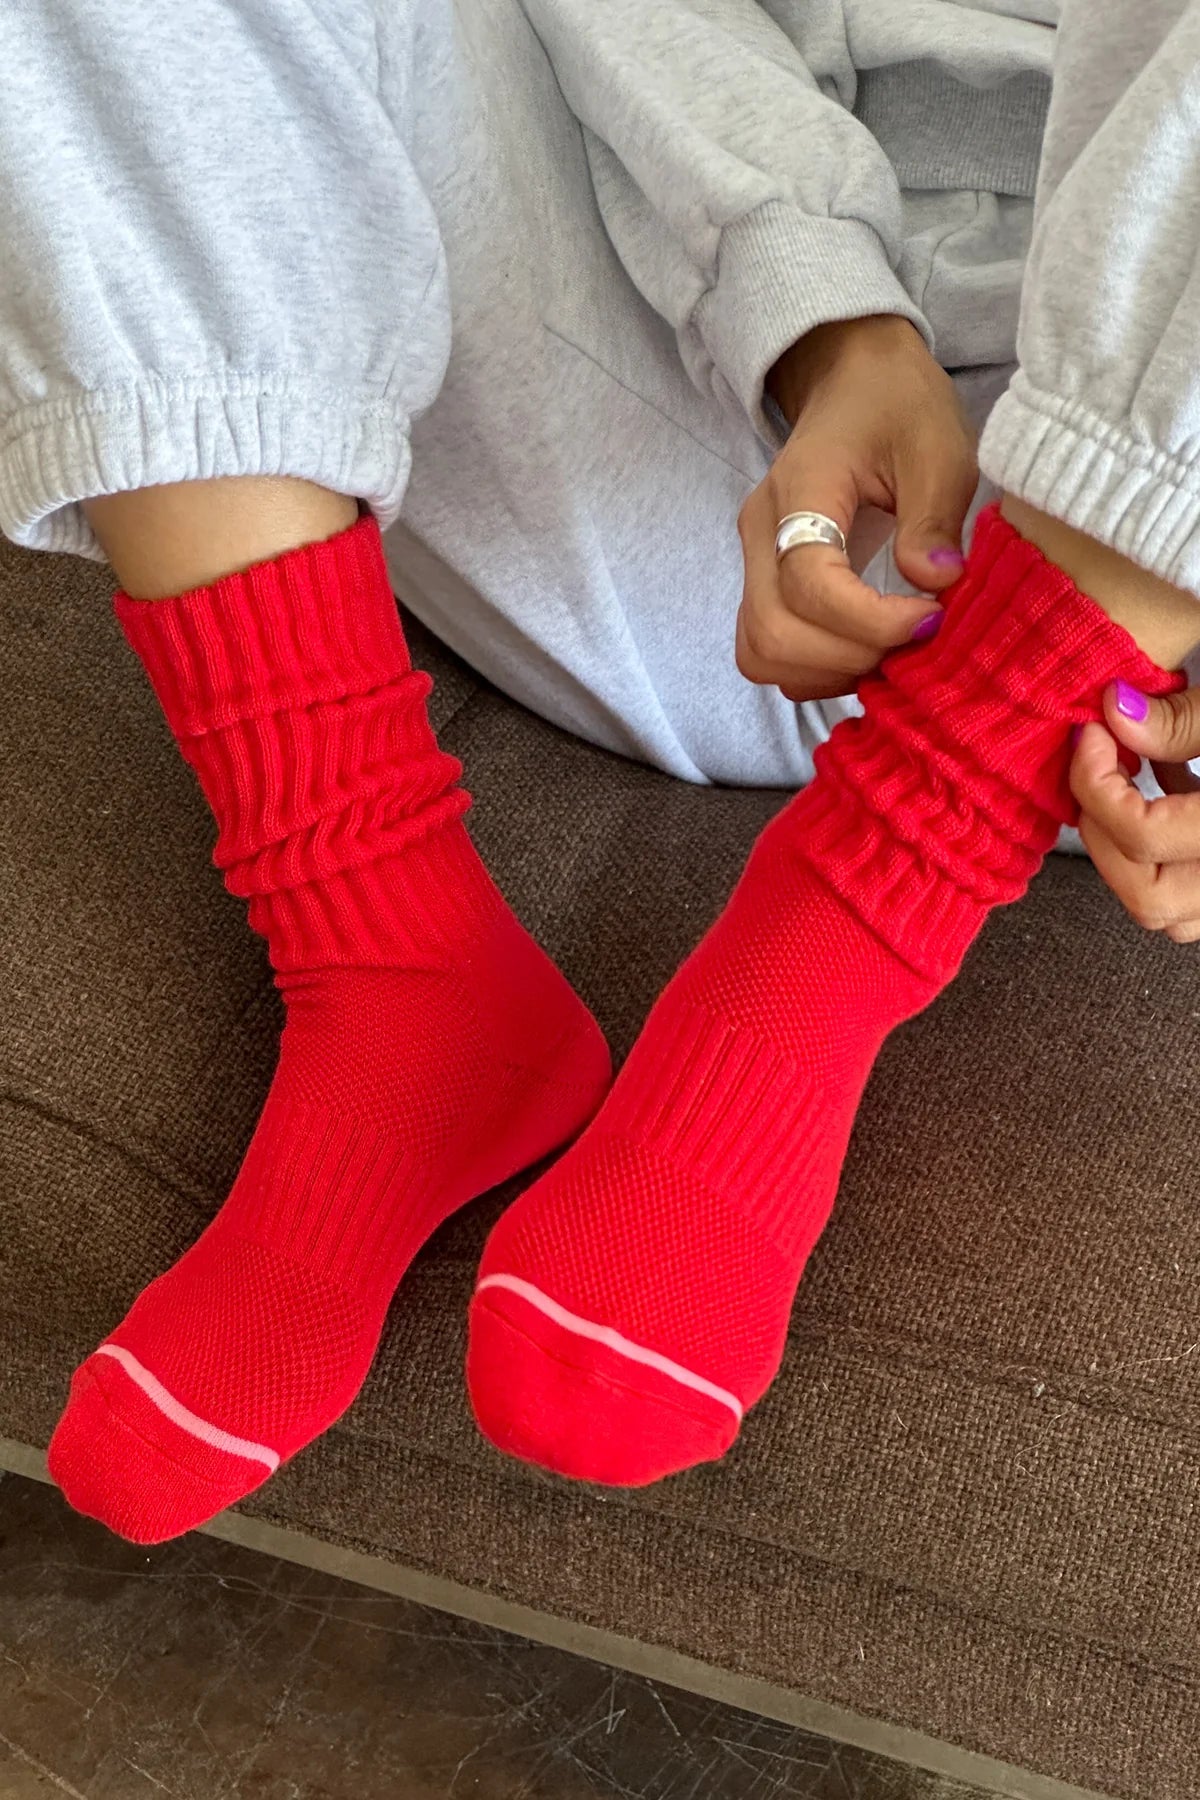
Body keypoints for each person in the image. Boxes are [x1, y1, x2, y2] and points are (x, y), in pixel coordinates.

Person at [4, 0, 1200, 1541]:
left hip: (1094, 676)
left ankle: (851, 915)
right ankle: (381, 941)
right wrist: (821, 319)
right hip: (693, 397)